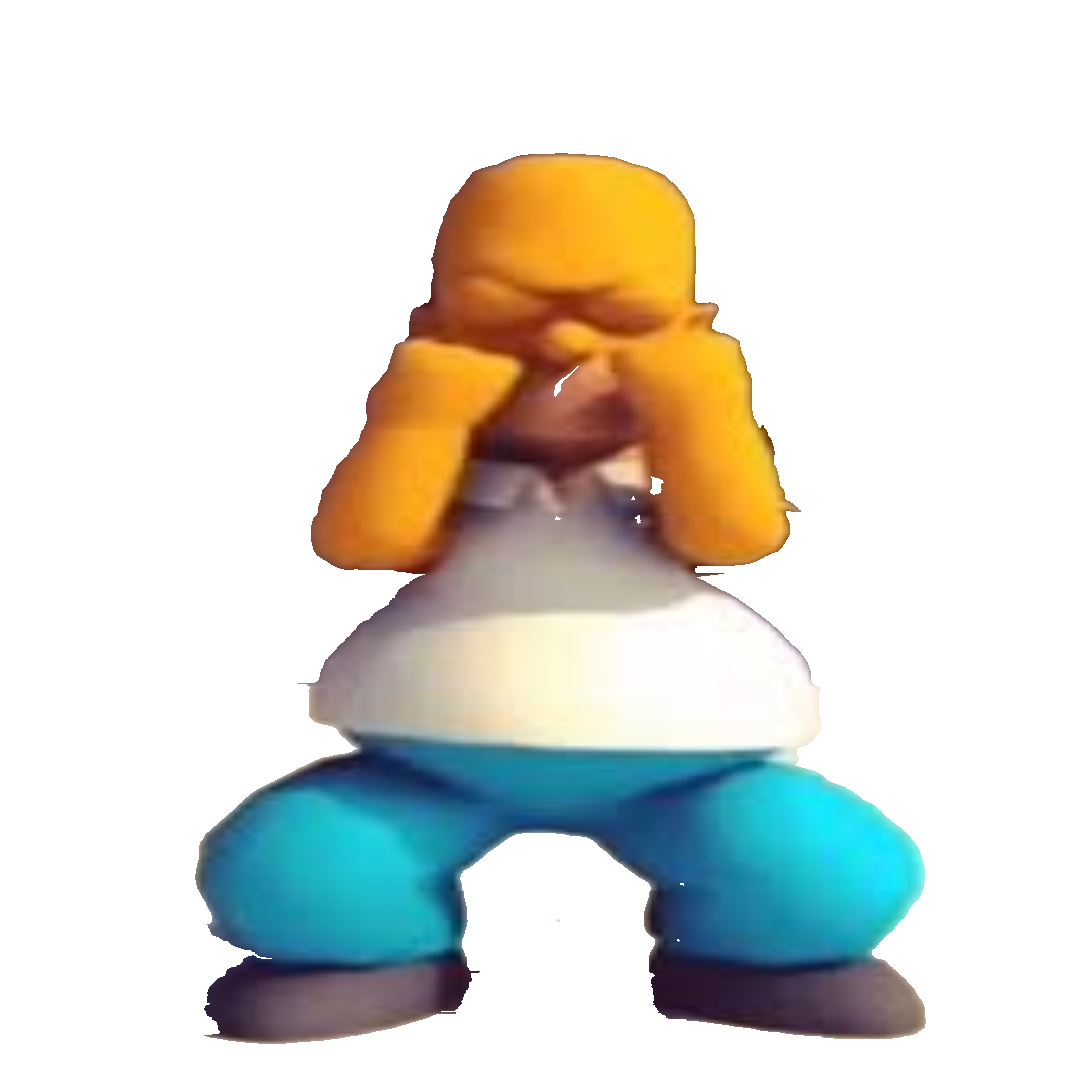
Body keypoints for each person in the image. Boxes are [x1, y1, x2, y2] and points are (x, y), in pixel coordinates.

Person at [198, 154, 924, 1042]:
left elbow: (738, 534)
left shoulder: (666, 465)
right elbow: (363, 541)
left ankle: (746, 958)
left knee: (824, 875)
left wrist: (704, 413)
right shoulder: (440, 460)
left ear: (694, 329)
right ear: (433, 325)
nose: (563, 347)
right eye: (502, 318)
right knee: (296, 869)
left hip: (687, 764)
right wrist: (418, 418)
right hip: (431, 759)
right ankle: (375, 953)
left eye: (624, 321)